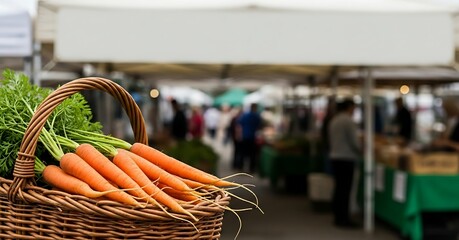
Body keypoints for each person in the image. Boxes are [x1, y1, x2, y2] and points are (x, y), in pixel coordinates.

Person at [328, 98, 361, 228]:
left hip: (335, 157)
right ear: (349, 107)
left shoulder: (334, 120)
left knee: (339, 188)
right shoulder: (348, 121)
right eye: (353, 107)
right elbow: (354, 142)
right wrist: (362, 150)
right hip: (346, 158)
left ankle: (338, 216)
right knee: (345, 189)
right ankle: (344, 218)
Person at [237, 103, 262, 173]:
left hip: (245, 136)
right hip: (252, 137)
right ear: (255, 108)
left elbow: (239, 124)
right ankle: (251, 168)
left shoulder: (245, 115)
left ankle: (240, 167)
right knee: (252, 154)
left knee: (242, 153)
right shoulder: (257, 116)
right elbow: (259, 126)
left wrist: (239, 135)